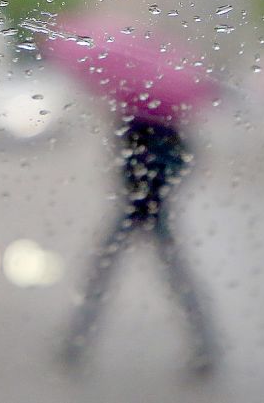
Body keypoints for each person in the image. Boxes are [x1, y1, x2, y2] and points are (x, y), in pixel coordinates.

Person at [60, 116, 219, 375]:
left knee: (104, 275)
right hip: (145, 211)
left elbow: (126, 166)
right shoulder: (158, 127)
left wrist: (150, 186)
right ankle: (205, 347)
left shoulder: (141, 125)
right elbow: (179, 164)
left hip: (145, 211)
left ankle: (75, 343)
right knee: (170, 279)